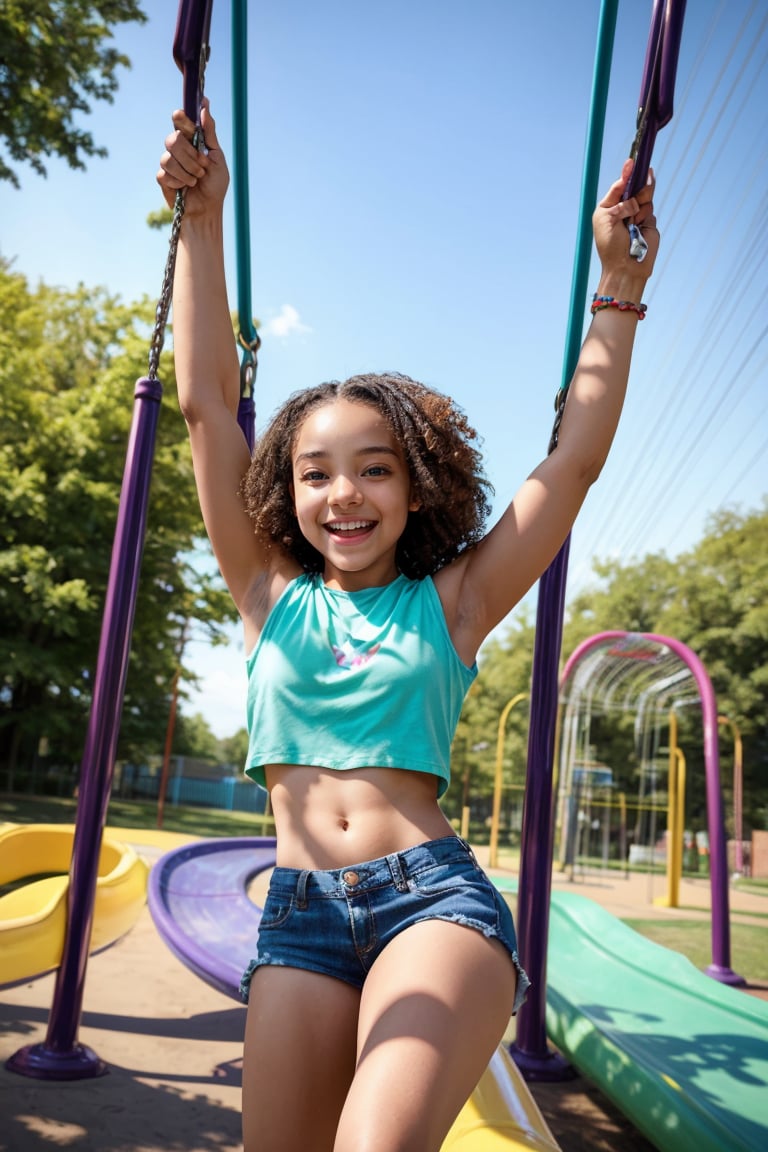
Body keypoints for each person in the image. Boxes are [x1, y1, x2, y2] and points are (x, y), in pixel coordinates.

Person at [157, 98, 658, 1152]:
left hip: (431, 905)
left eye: (374, 469)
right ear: (283, 494)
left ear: (416, 487)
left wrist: (619, 289)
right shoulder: (266, 596)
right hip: (298, 912)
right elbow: (207, 405)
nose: (344, 494)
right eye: (315, 473)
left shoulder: (452, 604)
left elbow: (569, 464)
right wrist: (201, 219)